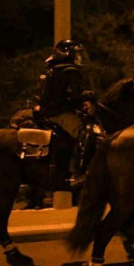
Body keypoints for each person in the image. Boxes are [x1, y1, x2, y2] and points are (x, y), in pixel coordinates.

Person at [36, 39, 97, 186]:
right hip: (58, 113)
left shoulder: (53, 68)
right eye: (76, 54)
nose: (79, 58)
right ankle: (80, 172)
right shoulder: (70, 71)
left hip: (49, 111)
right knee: (86, 132)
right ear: (67, 54)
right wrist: (89, 96)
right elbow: (75, 95)